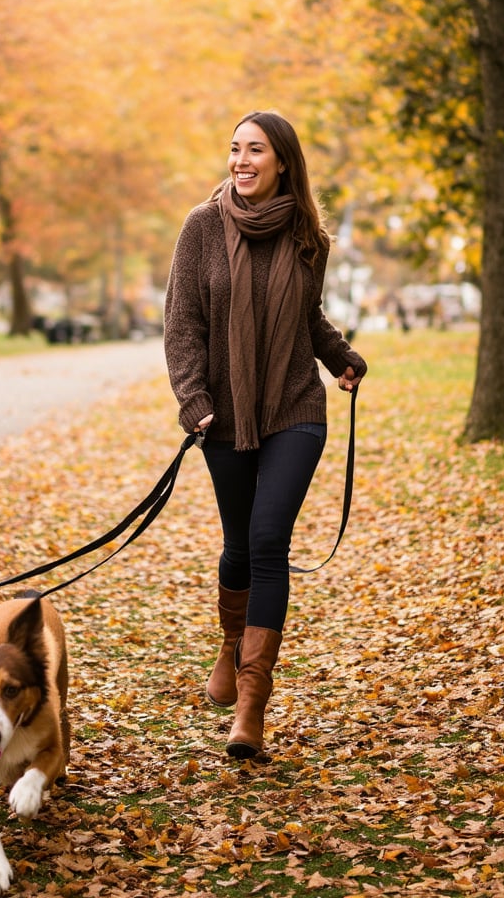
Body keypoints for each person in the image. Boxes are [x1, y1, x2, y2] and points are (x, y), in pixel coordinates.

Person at [164, 110, 368, 760]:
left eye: (255, 150)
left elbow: (305, 317)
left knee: (268, 541)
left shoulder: (309, 236)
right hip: (223, 415)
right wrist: (193, 400)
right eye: (234, 150)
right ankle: (231, 644)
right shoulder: (202, 227)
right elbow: (183, 323)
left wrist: (340, 358)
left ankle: (251, 704)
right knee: (238, 549)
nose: (241, 161)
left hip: (294, 409)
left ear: (283, 161)